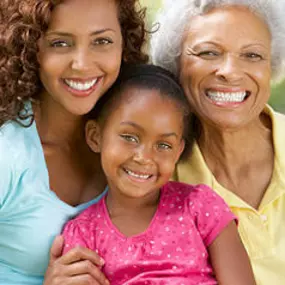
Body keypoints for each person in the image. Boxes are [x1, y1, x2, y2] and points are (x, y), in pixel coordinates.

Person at [61, 64, 256, 285]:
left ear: (178, 152)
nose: (144, 157)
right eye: (130, 137)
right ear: (95, 136)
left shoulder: (200, 206)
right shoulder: (84, 234)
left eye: (163, 145)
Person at [0, 0, 148, 284]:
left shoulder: (136, 144)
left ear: (124, 45)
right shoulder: (8, 155)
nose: (82, 64)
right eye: (60, 43)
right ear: (31, 49)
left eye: (102, 41)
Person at [150, 1, 285, 284]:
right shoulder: (152, 179)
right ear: (175, 64)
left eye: (252, 55)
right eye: (209, 52)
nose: (230, 71)